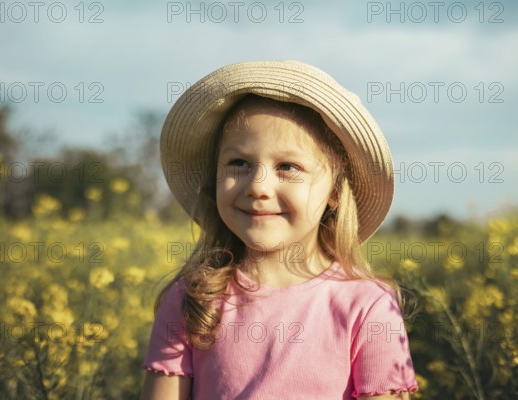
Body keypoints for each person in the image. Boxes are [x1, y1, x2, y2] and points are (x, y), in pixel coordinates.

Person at [140, 61, 418, 399]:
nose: (258, 186)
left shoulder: (368, 307)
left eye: (288, 167)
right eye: (238, 163)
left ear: (333, 192)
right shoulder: (192, 300)